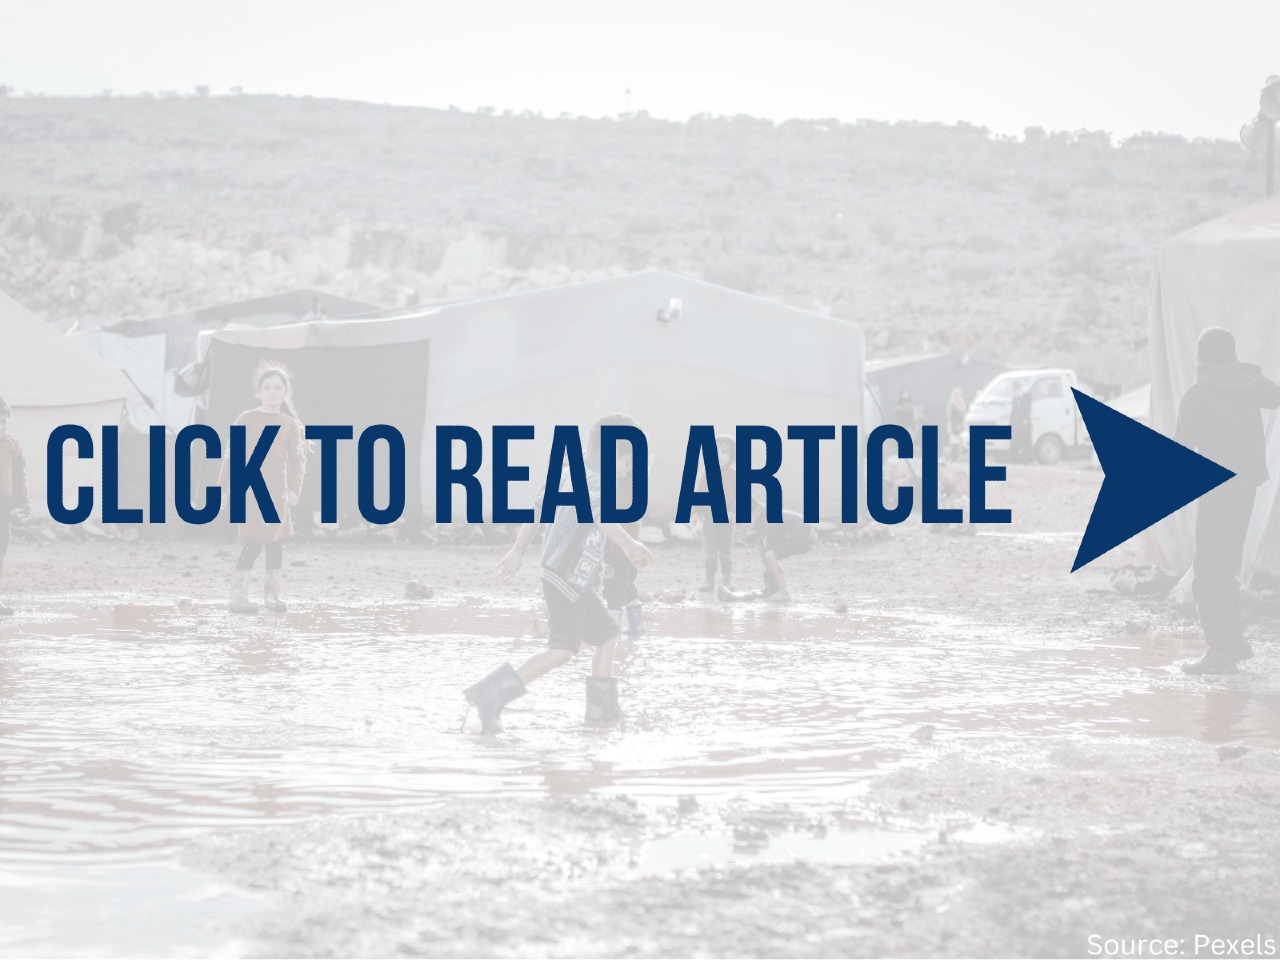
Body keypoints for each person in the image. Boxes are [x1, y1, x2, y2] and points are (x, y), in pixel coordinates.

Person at [472, 414, 654, 734]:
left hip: (567, 575)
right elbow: (600, 516)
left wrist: (519, 550)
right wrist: (627, 543)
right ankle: (489, 695)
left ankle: (602, 712)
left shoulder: (570, 472)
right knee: (562, 649)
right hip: (567, 576)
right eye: (628, 464)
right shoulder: (595, 480)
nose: (628, 473)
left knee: (608, 635)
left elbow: (539, 508)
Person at [1174, 327, 1280, 674]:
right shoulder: (1251, 384)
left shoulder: (1198, 392)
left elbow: (1180, 451)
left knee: (1207, 574)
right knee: (1226, 569)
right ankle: (1233, 646)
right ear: (1232, 355)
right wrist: (1242, 368)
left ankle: (1220, 652)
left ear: (1201, 358)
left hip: (1217, 491)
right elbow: (1274, 396)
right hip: (1247, 489)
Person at [219, 362, 307, 614]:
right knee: (253, 544)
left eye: (277, 387)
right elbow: (231, 456)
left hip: (278, 494)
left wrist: (294, 490)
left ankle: (273, 598)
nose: (272, 392)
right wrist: (223, 488)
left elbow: (298, 460)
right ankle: (237, 599)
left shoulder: (289, 424)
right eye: (267, 387)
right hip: (249, 491)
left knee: (276, 545)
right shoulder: (245, 419)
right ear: (258, 391)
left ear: (285, 392)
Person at [0, 396, 31, 616]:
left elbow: (20, 476)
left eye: (4, 422)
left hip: (4, 504)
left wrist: (25, 501)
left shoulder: (13, 445)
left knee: (1, 548)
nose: (0, 426)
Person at [748, 507, 816, 603]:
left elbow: (752, 538)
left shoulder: (765, 521)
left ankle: (784, 593)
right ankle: (771, 585)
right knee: (761, 546)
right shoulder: (764, 518)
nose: (744, 523)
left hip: (803, 536)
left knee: (771, 555)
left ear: (756, 512)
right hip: (796, 532)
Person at [697, 433, 736, 593]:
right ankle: (709, 579)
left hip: (727, 517)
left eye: (724, 452)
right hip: (709, 518)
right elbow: (699, 494)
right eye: (716, 452)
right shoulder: (707, 473)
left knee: (726, 551)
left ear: (732, 455)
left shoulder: (735, 474)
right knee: (710, 552)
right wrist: (695, 513)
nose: (719, 456)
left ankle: (728, 579)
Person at [1010, 380, 1033, 463]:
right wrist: (1011, 422)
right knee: (1015, 441)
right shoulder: (1014, 396)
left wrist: (1026, 419)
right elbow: (1013, 410)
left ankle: (1027, 460)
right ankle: (1014, 459)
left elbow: (1027, 408)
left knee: (1025, 441)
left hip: (1024, 423)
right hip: (1016, 423)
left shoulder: (1026, 395)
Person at [947, 387, 968, 461]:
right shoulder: (951, 403)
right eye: (954, 394)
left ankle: (960, 455)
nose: (955, 396)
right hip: (953, 425)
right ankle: (952, 456)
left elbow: (963, 413)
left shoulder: (962, 402)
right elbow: (950, 415)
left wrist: (960, 424)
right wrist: (953, 424)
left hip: (961, 424)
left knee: (961, 440)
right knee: (953, 440)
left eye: (957, 394)